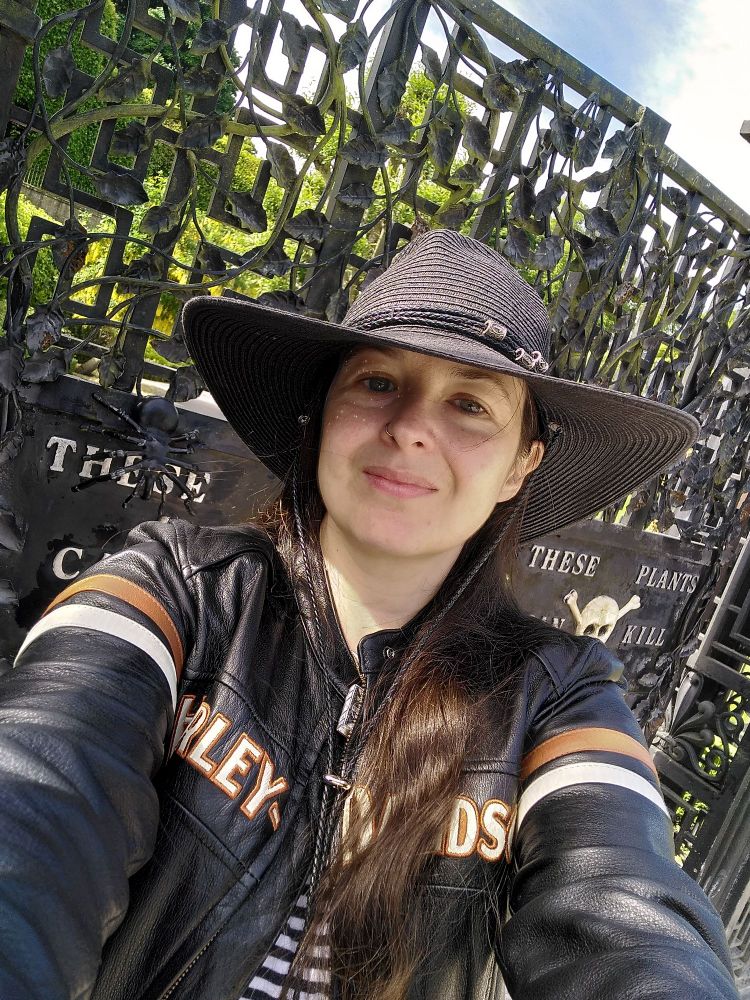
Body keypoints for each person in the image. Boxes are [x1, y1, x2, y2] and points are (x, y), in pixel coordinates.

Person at [0, 229, 739, 1000]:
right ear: (323, 413)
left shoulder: (556, 696)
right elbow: (38, 783)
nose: (412, 426)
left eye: (469, 403)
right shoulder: (179, 590)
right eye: (379, 383)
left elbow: (623, 907)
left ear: (522, 463)